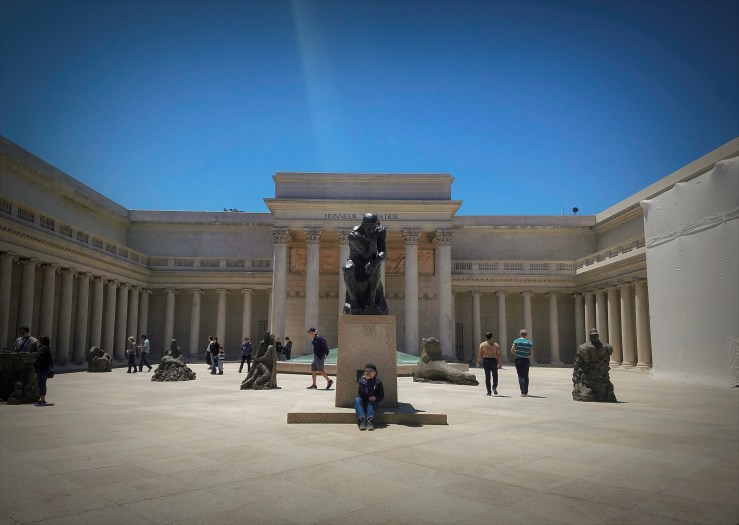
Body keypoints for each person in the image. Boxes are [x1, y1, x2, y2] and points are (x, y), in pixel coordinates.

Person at [342, 213, 389, 315]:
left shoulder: (380, 231)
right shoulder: (353, 234)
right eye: (368, 227)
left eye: (373, 226)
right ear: (363, 224)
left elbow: (383, 252)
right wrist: (373, 237)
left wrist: (375, 262)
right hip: (356, 263)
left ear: (377, 224)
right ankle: (353, 299)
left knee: (375, 264)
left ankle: (371, 298)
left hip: (370, 263)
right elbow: (366, 252)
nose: (371, 229)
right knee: (347, 268)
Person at [355, 363, 384, 431]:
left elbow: (381, 395)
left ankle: (370, 421)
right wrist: (369, 380)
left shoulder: (378, 381)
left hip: (371, 404)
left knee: (372, 399)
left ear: (375, 372)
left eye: (371, 371)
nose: (368, 372)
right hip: (362, 401)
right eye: (366, 371)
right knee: (357, 400)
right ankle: (362, 421)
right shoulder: (362, 380)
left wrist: (376, 397)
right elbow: (368, 392)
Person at [476, 331, 501, 395]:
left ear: (485, 337)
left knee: (487, 376)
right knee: (495, 375)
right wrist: (500, 363)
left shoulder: (482, 345)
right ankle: (494, 386)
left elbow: (480, 354)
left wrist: (478, 362)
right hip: (493, 360)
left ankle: (489, 391)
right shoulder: (496, 345)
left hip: (486, 360)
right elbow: (498, 355)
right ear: (491, 337)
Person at [511, 329, 534, 396]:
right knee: (526, 375)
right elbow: (532, 354)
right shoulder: (529, 343)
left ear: (520, 334)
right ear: (526, 335)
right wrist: (526, 354)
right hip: (526, 360)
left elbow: (512, 351)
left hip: (518, 360)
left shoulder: (516, 341)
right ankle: (526, 391)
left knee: (520, 375)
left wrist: (516, 352)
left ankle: (523, 391)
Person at [33, 334, 54, 406]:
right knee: (43, 383)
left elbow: (39, 357)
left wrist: (35, 364)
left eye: (39, 339)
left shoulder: (42, 348)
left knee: (41, 383)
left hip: (42, 369)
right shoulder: (47, 347)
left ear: (42, 341)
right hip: (46, 368)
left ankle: (42, 399)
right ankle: (42, 398)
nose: (38, 341)